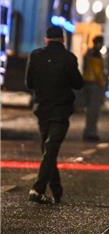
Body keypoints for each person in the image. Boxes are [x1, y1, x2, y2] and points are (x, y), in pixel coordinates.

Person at [24, 26, 84, 204]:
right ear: (63, 39)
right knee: (50, 148)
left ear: (46, 39)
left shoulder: (35, 55)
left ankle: (57, 191)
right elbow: (78, 83)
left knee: (49, 149)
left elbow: (29, 83)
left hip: (42, 108)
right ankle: (38, 189)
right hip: (61, 108)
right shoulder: (69, 58)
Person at [81, 35, 107, 142]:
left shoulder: (90, 53)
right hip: (93, 84)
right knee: (93, 111)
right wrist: (102, 83)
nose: (101, 45)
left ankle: (90, 131)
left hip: (90, 83)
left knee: (91, 111)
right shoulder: (94, 54)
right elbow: (97, 72)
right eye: (100, 43)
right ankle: (90, 132)